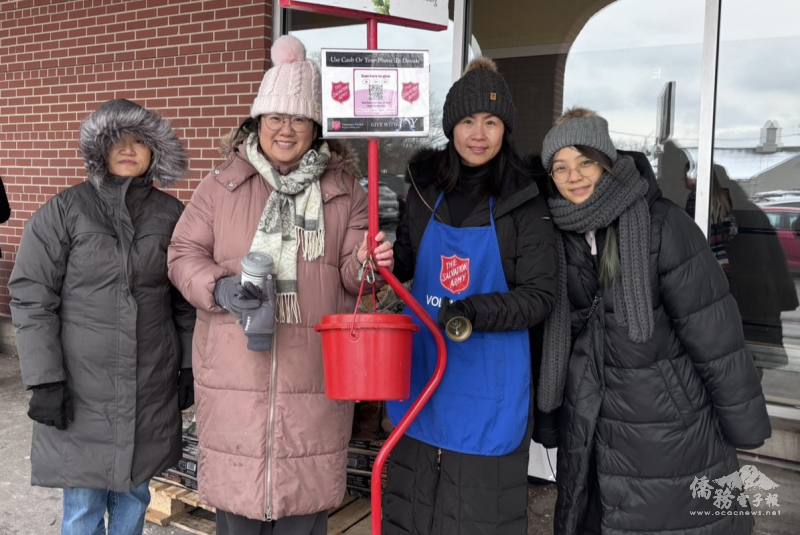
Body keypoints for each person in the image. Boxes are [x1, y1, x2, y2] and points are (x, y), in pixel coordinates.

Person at [167, 35, 393, 535]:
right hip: (234, 376)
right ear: (256, 122)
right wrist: (219, 288)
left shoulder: (344, 194)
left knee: (303, 513)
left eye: (297, 119)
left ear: (316, 129)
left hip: (311, 374)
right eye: (274, 117)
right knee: (238, 516)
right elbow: (182, 255)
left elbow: (358, 283)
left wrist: (369, 263)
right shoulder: (220, 187)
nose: (284, 130)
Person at [539, 107, 771, 534]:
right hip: (590, 421)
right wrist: (551, 417)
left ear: (608, 161)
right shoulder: (553, 236)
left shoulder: (663, 226)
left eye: (585, 161)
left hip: (666, 425)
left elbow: (714, 331)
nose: (574, 177)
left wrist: (744, 419)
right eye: (560, 167)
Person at [384, 57, 557, 535]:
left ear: (506, 129)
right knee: (413, 507)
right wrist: (380, 260)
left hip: (491, 380)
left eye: (491, 121)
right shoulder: (423, 188)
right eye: (467, 120)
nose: (478, 134)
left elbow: (541, 295)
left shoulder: (525, 198)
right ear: (450, 126)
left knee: (476, 514)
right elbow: (407, 265)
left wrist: (473, 311)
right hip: (422, 369)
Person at [9, 98, 195, 535]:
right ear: (99, 149)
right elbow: (32, 296)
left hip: (149, 381)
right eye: (117, 140)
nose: (129, 149)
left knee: (134, 494)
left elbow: (185, 300)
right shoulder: (65, 211)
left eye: (140, 141)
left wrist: (188, 363)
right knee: (83, 501)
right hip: (80, 385)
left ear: (154, 151)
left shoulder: (172, 215)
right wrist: (44, 378)